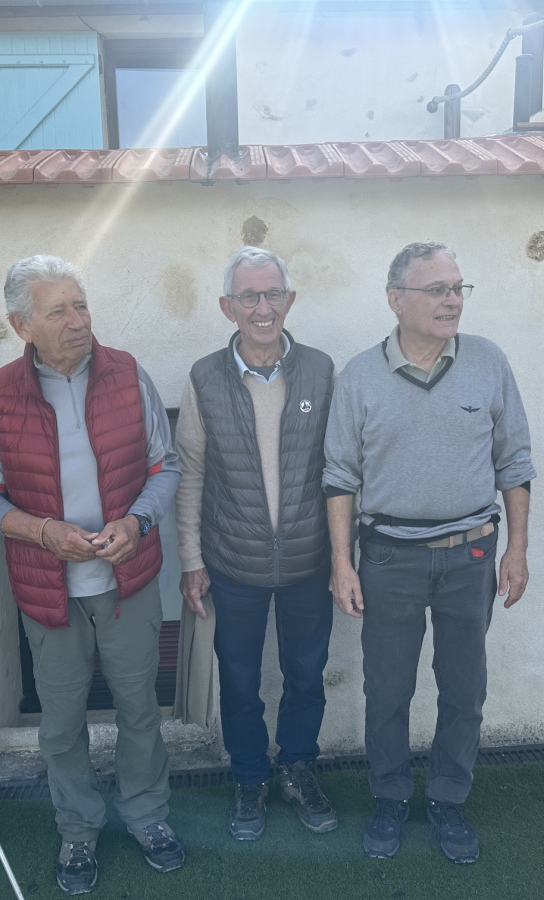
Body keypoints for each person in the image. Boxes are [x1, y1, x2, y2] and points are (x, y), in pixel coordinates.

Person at [0, 255, 183, 895]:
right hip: (47, 589)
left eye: (81, 305)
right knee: (61, 724)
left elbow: (165, 465)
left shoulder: (128, 374)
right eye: (57, 311)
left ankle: (147, 816)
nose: (78, 321)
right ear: (21, 326)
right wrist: (43, 532)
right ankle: (78, 829)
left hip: (127, 580)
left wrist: (137, 522)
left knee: (140, 709)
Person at [323, 241, 535, 865]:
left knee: (464, 687)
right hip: (388, 558)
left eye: (458, 288)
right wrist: (341, 562)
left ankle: (447, 797)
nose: (452, 300)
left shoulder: (488, 361)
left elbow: (515, 462)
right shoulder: (359, 376)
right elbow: (339, 476)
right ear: (396, 300)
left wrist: (517, 550)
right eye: (437, 289)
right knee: (388, 689)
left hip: (472, 556)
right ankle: (390, 796)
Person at [176, 247, 338, 841]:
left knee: (306, 675)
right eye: (249, 296)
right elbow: (191, 472)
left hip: (309, 561)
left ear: (289, 301)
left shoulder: (320, 370)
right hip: (233, 564)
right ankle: (249, 778)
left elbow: (341, 471)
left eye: (272, 294)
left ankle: (297, 768)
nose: (262, 307)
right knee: (239, 681)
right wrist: (191, 560)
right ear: (229, 307)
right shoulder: (204, 377)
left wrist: (342, 557)